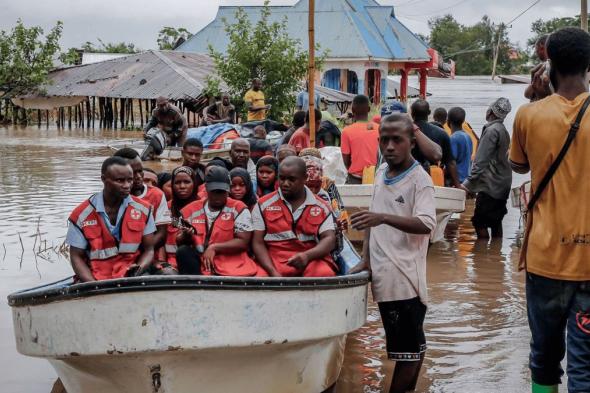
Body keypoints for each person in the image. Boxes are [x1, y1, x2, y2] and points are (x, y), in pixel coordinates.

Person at [510, 28, 590, 393]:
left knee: (543, 360)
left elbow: (519, 166)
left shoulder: (528, 116)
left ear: (550, 65)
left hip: (544, 259)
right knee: (585, 367)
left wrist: (542, 100)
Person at [349, 113, 436, 393]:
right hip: (386, 279)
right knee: (413, 350)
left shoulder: (419, 180)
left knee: (408, 354)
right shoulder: (381, 173)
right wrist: (365, 260)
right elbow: (371, 218)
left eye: (396, 140)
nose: (389, 147)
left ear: (411, 141)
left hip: (405, 280)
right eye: (384, 140)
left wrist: (383, 218)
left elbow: (426, 224)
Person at [66, 157, 156, 282]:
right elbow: (76, 256)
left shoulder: (144, 210)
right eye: (120, 180)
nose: (127, 185)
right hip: (93, 277)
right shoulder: (81, 215)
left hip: (131, 275)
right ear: (103, 179)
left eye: (130, 180)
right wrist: (93, 285)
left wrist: (138, 269)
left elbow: (149, 249)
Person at [251, 156, 338, 277]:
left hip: (311, 258)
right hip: (273, 260)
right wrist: (273, 272)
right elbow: (257, 242)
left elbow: (329, 239)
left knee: (323, 274)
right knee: (259, 279)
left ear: (305, 178)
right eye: (282, 178)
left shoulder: (322, 207)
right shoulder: (263, 205)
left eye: (292, 179)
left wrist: (307, 256)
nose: (285, 183)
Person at [176, 166, 265, 276]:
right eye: (214, 191)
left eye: (222, 192)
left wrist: (214, 248)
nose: (218, 196)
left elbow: (243, 242)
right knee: (183, 251)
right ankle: (195, 287)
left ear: (228, 190)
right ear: (206, 188)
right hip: (201, 261)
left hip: (231, 262)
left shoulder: (239, 208)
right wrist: (185, 236)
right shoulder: (190, 210)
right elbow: (178, 240)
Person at [461, 98, 512, 239]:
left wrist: (467, 185)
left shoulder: (491, 131)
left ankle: (482, 256)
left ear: (490, 112)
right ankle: (496, 254)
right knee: (496, 221)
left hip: (491, 185)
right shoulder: (502, 130)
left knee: (479, 222)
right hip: (503, 183)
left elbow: (480, 161)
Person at [113, 148, 170, 248]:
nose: (139, 176)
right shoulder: (110, 197)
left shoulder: (157, 195)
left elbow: (161, 234)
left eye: (140, 171)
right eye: (133, 172)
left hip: (146, 253)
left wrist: (138, 253)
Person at [411, 100, 459, 186]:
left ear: (411, 113)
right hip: (433, 180)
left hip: (409, 178)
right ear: (429, 112)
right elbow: (450, 163)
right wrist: (458, 185)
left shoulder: (404, 132)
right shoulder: (441, 133)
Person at [161, 166, 198, 273]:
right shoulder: (165, 208)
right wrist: (162, 262)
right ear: (172, 185)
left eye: (187, 182)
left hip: (196, 261)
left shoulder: (203, 206)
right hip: (171, 263)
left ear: (194, 184)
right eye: (177, 182)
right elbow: (160, 240)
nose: (182, 186)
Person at [341, 95, 379, 184]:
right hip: (376, 177)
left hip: (355, 178)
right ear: (369, 109)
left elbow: (346, 161)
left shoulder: (346, 131)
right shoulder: (379, 129)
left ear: (353, 111)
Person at [447, 107, 473, 184]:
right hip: (467, 180)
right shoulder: (468, 136)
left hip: (457, 180)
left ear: (448, 122)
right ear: (463, 121)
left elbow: (451, 163)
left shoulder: (453, 138)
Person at [525, 34, 550, 102]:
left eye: (536, 50)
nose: (536, 53)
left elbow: (527, 94)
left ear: (542, 47)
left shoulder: (546, 67)